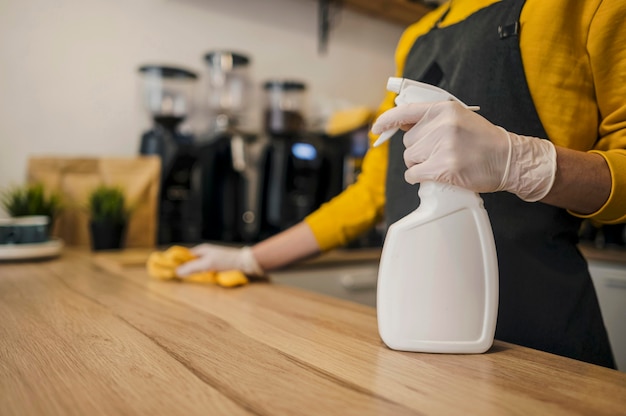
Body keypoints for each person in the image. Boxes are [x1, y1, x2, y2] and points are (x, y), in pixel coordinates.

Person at [176, 0, 625, 368]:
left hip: (544, 348)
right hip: (414, 346)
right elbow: (373, 191)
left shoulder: (588, 7)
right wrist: (249, 257)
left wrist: (524, 163)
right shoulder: (415, 38)